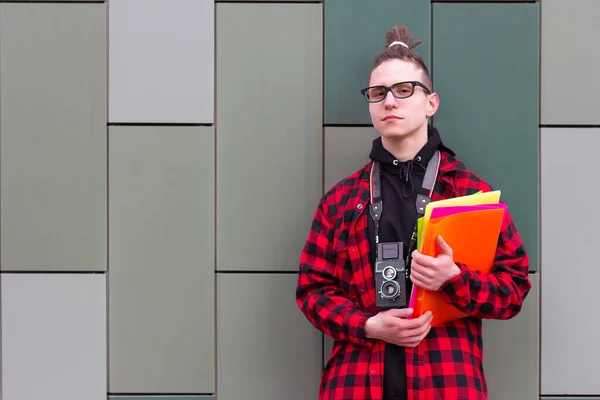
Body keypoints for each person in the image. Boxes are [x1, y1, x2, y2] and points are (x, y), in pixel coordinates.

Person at [295, 25, 531, 400]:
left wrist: (455, 279)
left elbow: (514, 289)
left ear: (431, 103)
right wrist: (368, 325)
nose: (390, 101)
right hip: (355, 385)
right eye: (378, 93)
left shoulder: (472, 193)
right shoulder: (340, 200)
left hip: (447, 384)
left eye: (404, 90)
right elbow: (312, 291)